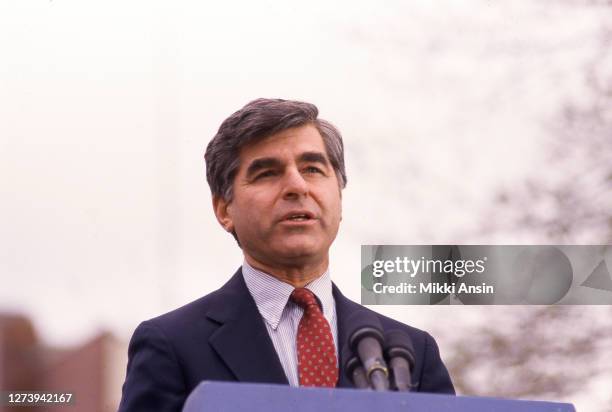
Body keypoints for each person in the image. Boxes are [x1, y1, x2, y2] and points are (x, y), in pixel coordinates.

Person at [118, 98, 454, 412]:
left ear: (339, 196)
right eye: (267, 173)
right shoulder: (172, 345)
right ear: (224, 210)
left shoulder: (410, 354)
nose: (297, 186)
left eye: (312, 169)